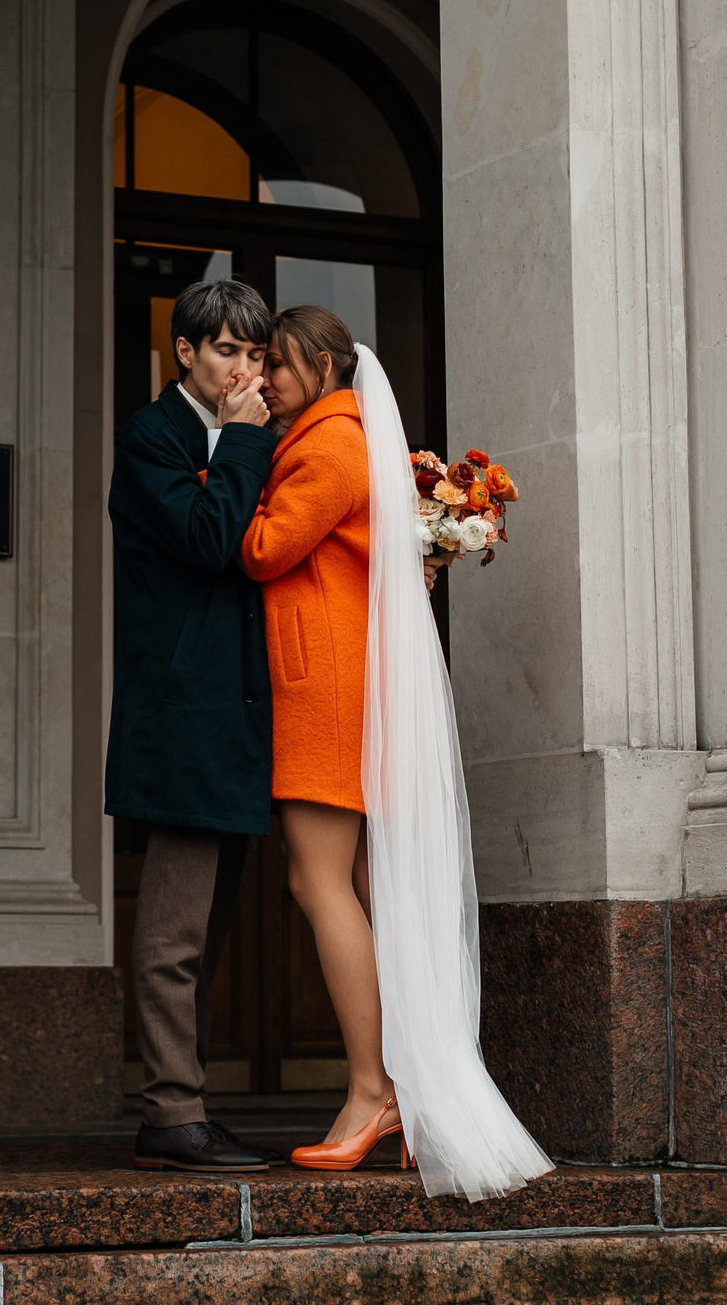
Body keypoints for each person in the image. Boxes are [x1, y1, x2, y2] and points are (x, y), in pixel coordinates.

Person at [240, 303, 552, 1200]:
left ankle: (373, 1091)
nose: (266, 378)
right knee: (359, 881)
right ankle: (405, 1090)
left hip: (325, 690)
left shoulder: (326, 446)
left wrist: (242, 445)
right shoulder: (349, 440)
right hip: (343, 681)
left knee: (317, 881)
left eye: (281, 364)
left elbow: (264, 547)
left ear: (325, 368)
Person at [105, 277, 280, 1173]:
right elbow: (211, 539)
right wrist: (246, 440)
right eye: (226, 350)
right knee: (174, 932)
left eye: (256, 354)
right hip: (180, 716)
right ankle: (171, 1114)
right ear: (185, 351)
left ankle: (187, 1107)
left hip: (237, 716)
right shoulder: (153, 436)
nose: (244, 370)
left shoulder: (253, 438)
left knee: (206, 934)